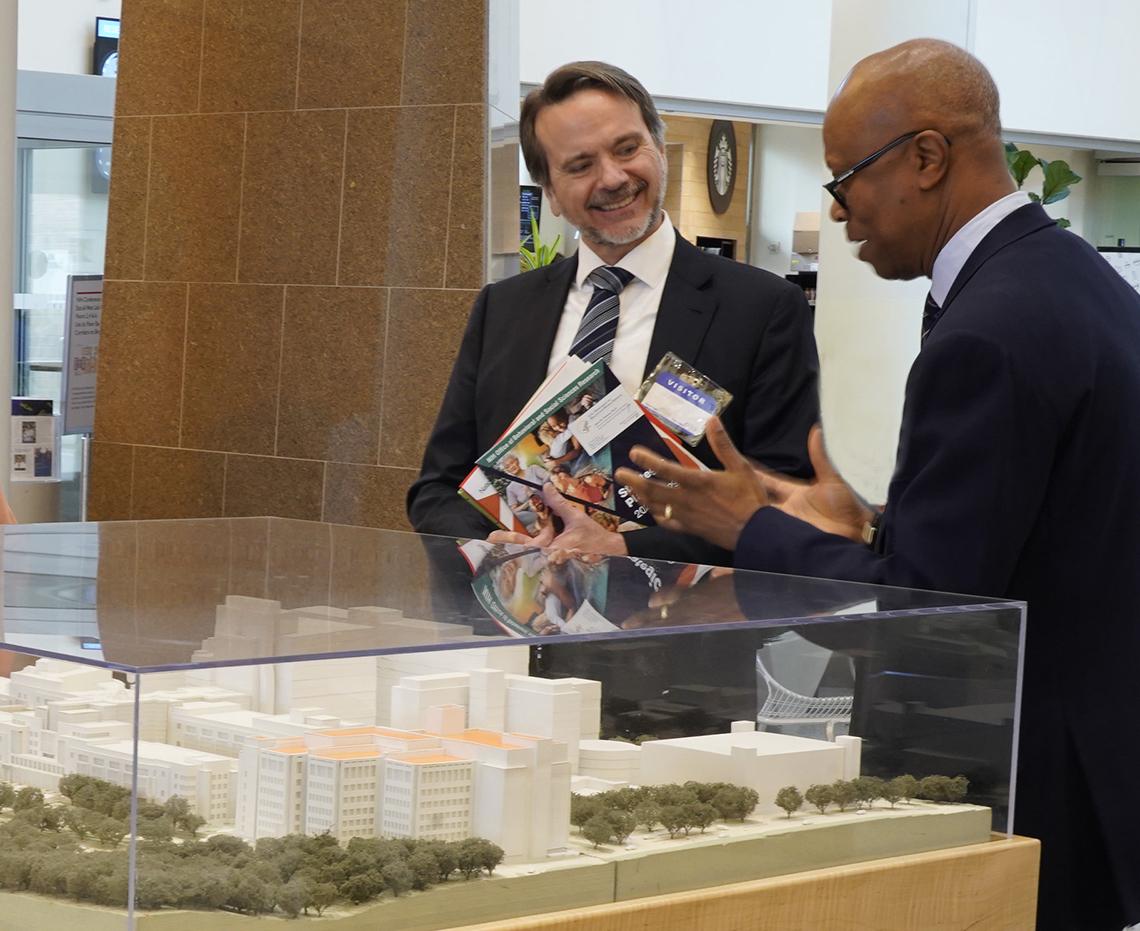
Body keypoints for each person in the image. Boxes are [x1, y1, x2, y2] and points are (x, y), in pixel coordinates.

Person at [612, 39, 1140, 931]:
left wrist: (751, 528)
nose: (837, 207)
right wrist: (862, 526)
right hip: (1094, 762)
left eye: (845, 176)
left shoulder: (990, 330)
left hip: (1032, 779)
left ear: (927, 157)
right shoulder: (1075, 280)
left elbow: (931, 606)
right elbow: (1039, 526)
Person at [406, 60, 819, 564]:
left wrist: (623, 550)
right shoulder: (504, 309)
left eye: (627, 149)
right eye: (580, 166)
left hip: (678, 609)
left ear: (659, 149)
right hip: (521, 600)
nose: (613, 177)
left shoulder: (762, 309)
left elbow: (788, 497)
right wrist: (491, 545)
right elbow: (437, 490)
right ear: (550, 193)